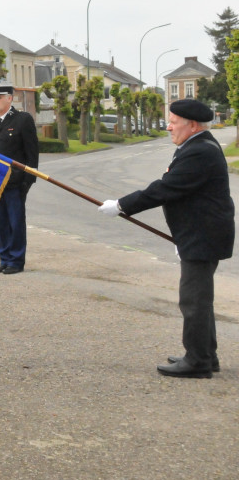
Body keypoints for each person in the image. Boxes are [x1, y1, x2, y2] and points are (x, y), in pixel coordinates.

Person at [99, 99, 234, 378]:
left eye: (174, 121)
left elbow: (165, 188)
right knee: (200, 299)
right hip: (199, 234)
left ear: (193, 125)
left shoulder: (200, 152)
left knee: (193, 300)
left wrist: (122, 205)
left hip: (202, 235)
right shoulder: (195, 146)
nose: (168, 126)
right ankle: (205, 355)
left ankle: (197, 362)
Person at [0, 82, 38, 275]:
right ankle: (4, 258)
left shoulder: (23, 120)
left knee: (16, 221)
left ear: (9, 98)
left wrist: (27, 181)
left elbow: (32, 154)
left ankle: (16, 260)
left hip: (15, 182)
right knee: (2, 221)